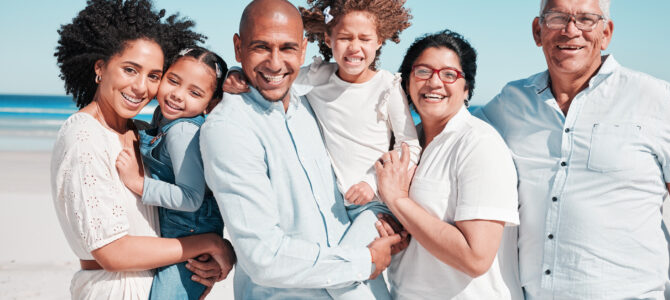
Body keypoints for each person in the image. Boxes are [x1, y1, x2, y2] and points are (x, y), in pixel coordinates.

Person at [472, 0, 670, 299]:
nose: (571, 30)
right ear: (538, 31)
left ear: (606, 33)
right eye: (557, 18)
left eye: (586, 19)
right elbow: (451, 134)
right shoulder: (511, 102)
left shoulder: (656, 98)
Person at [200, 0, 404, 299]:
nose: (274, 62)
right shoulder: (228, 129)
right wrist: (366, 260)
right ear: (238, 47)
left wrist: (385, 218)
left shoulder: (307, 106)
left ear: (304, 49)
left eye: (287, 48)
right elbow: (263, 257)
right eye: (260, 47)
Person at [51, 0, 235, 299]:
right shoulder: (84, 137)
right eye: (129, 69)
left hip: (159, 282)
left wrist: (205, 263)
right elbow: (113, 253)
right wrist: (210, 244)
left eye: (153, 75)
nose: (141, 87)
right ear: (100, 67)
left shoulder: (141, 132)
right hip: (115, 290)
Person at [376, 30, 522, 300]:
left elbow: (475, 258)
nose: (434, 82)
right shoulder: (402, 144)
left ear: (466, 88)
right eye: (423, 71)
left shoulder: (478, 144)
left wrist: (398, 201)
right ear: (407, 82)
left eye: (449, 74)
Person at [115, 46, 228, 300]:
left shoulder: (183, 131)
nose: (177, 95)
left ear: (210, 103)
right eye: (173, 81)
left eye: (195, 92)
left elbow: (190, 198)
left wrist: (137, 182)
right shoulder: (164, 116)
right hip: (182, 237)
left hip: (191, 243)